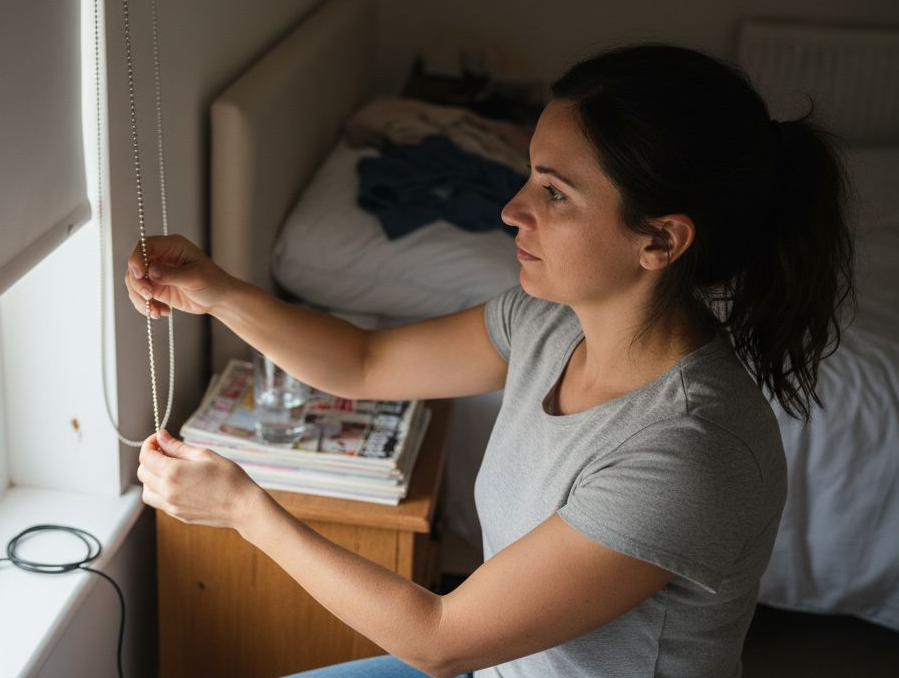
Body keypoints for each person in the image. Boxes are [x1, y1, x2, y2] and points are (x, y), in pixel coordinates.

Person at [125, 44, 855, 678]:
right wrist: (215, 290)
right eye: (531, 174)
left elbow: (439, 641)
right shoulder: (545, 324)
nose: (512, 209)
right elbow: (364, 360)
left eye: (555, 193)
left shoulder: (692, 452)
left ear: (660, 241)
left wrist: (246, 511)